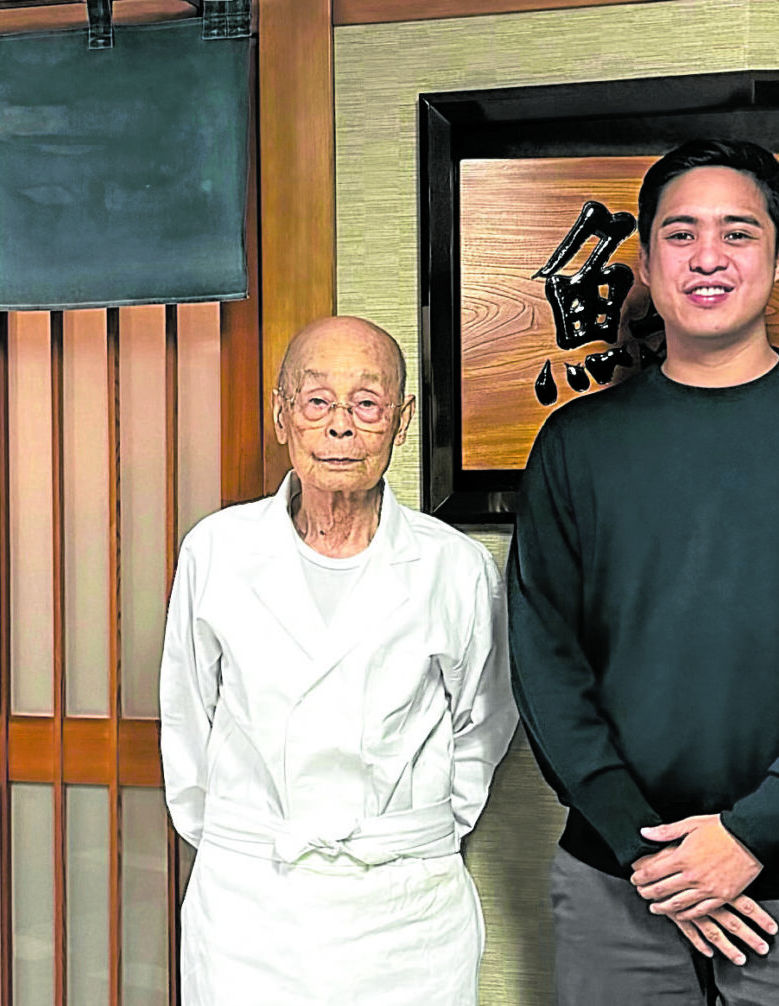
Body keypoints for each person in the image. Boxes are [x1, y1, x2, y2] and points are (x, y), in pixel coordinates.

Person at [507, 139, 779, 1005]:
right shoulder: (575, 447)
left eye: (737, 233)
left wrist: (750, 835)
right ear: (646, 260)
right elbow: (545, 663)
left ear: (778, 257)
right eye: (679, 233)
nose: (707, 257)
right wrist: (652, 853)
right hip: (616, 885)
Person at [160, 316, 518, 1005]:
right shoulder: (217, 551)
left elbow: (484, 721)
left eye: (366, 403)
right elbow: (185, 714)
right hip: (250, 899)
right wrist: (237, 842)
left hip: (406, 903)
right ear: (281, 415)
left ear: (401, 420)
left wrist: (420, 834)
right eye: (317, 400)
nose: (340, 427)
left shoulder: (455, 566)